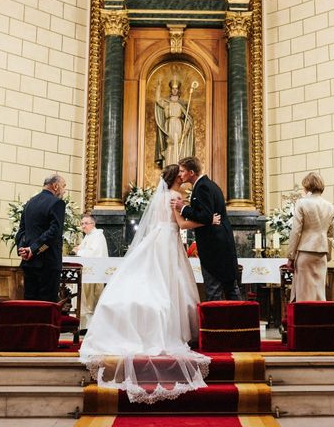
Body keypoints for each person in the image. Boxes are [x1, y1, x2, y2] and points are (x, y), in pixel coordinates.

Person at [80, 164, 221, 403]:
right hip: (169, 241)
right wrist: (209, 221)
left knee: (153, 279)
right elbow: (183, 224)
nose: (184, 178)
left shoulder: (160, 197)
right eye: (181, 175)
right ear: (177, 178)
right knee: (171, 284)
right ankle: (174, 329)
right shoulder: (176, 196)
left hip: (156, 238)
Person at [171, 156, 242, 301]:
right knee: (229, 286)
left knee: (214, 288)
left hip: (213, 245)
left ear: (191, 172)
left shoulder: (202, 187)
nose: (180, 174)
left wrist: (182, 208)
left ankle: (214, 323)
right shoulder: (209, 184)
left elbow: (205, 215)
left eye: (182, 171)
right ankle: (240, 320)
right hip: (220, 241)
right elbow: (208, 214)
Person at [15, 174, 66, 302]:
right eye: (64, 186)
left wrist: (23, 249)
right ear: (55, 186)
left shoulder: (29, 203)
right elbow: (54, 232)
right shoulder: (57, 203)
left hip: (29, 262)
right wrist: (34, 249)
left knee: (31, 304)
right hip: (48, 262)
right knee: (46, 305)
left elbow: (21, 230)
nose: (64, 190)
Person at [286, 172, 334, 302]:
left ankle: (304, 321)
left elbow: (296, 231)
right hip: (322, 252)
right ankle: (319, 321)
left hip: (306, 251)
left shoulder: (302, 203)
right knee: (319, 294)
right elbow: (330, 235)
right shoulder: (329, 206)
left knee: (304, 294)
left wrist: (290, 256)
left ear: (307, 185)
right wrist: (328, 254)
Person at [75, 213, 108, 330]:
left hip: (94, 274)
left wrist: (78, 251)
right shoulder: (89, 236)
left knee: (91, 300)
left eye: (86, 223)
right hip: (86, 273)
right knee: (84, 299)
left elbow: (93, 254)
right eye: (82, 223)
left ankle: (90, 327)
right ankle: (83, 326)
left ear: (93, 224)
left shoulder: (97, 236)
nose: (83, 226)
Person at [155, 77, 195, 167]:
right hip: (168, 125)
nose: (174, 90)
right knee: (169, 145)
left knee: (178, 144)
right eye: (173, 89)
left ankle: (178, 168)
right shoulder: (166, 103)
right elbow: (158, 100)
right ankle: (169, 167)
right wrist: (158, 86)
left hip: (178, 125)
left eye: (176, 89)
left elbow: (189, 118)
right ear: (171, 89)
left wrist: (186, 129)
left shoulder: (183, 103)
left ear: (178, 90)